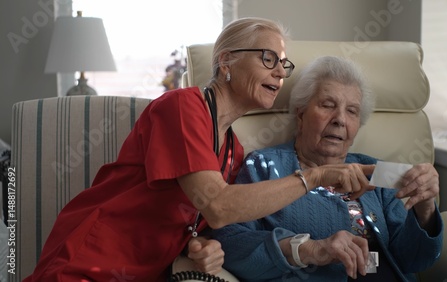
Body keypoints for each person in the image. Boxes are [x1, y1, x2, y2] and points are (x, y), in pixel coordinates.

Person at [23, 19, 377, 282]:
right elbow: (219, 206)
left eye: (284, 65)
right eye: (269, 58)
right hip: (89, 262)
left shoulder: (233, 151)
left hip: (145, 272)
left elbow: (203, 221)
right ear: (226, 62)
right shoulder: (181, 108)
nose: (280, 74)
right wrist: (314, 176)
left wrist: (201, 247)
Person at [213, 56, 444, 282]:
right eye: (328, 105)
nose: (340, 119)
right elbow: (230, 244)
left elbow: (415, 260)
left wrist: (425, 208)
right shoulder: (265, 166)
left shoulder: (378, 171)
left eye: (352, 111)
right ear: (301, 115)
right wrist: (309, 249)